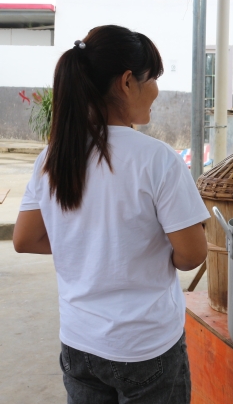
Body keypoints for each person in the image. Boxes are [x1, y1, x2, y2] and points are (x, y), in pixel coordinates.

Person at [13, 25, 210, 403]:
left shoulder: (50, 158)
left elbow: (26, 239)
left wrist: (90, 248)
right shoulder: (157, 160)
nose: (157, 90)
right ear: (126, 82)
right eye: (152, 78)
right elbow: (193, 255)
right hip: (145, 347)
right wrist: (123, 249)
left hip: (79, 345)